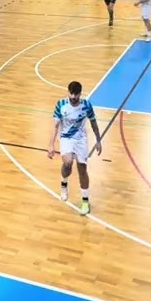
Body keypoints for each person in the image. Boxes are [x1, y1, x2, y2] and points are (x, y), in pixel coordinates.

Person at [47, 81, 102, 215]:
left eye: (75, 96)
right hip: (66, 138)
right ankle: (64, 183)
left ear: (79, 94)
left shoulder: (86, 105)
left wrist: (98, 140)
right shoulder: (61, 104)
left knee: (82, 169)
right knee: (67, 163)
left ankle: (85, 201)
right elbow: (55, 126)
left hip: (81, 139)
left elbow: (93, 122)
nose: (73, 98)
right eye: (70, 95)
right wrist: (51, 144)